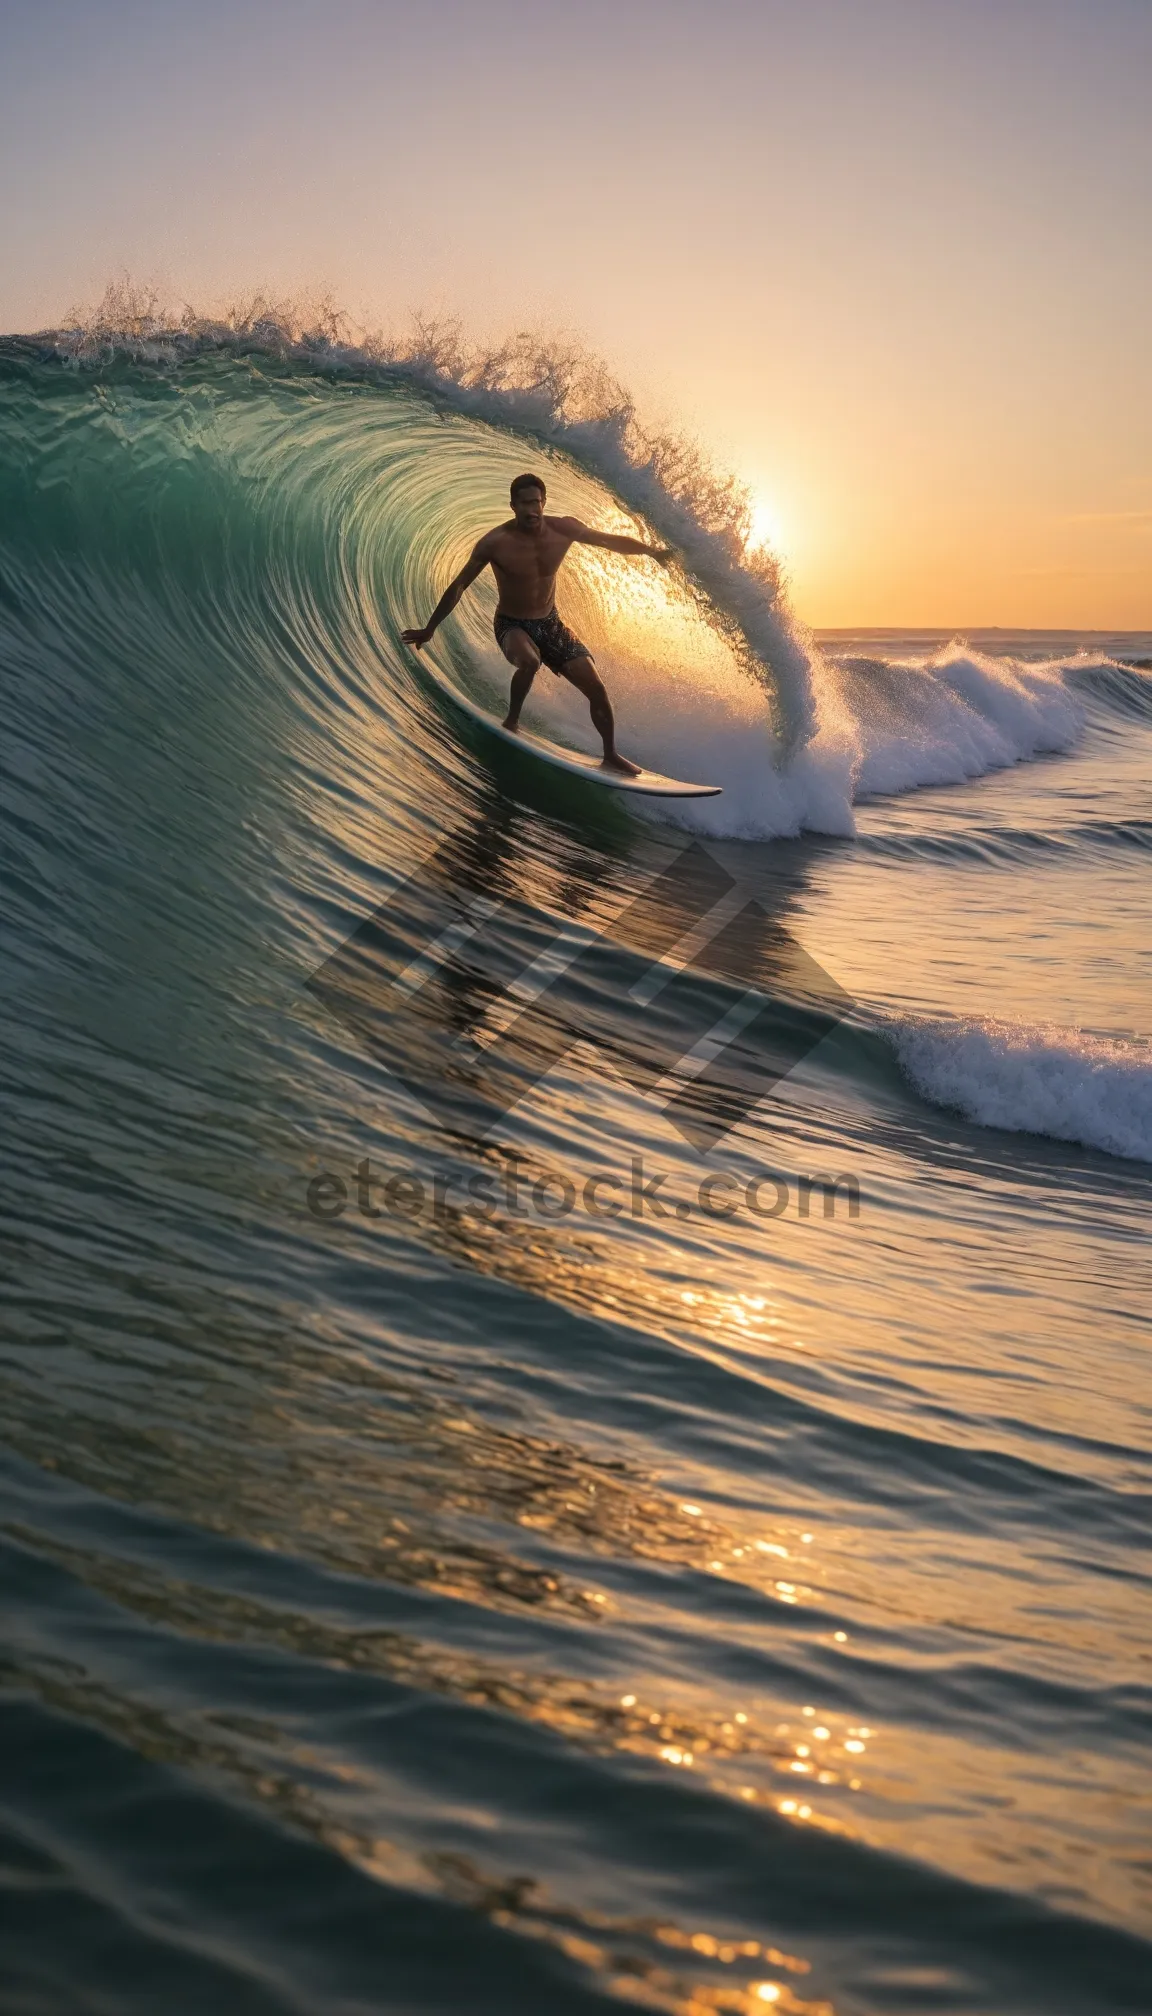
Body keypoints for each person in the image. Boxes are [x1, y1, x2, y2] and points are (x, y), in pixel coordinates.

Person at [401, 473, 673, 775]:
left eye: (537, 502)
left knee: (596, 687)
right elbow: (459, 586)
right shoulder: (494, 543)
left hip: (550, 623)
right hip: (511, 624)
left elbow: (608, 541)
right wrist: (430, 627)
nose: (532, 509)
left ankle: (610, 754)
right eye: (525, 503)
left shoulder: (563, 528)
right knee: (529, 662)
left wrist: (652, 552)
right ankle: (512, 721)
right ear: (513, 505)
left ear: (544, 502)